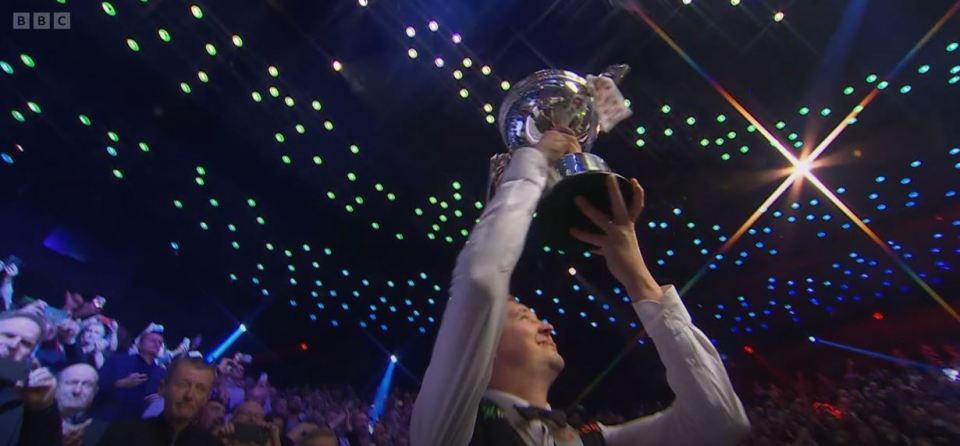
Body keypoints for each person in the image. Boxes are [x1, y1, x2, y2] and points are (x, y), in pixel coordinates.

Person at [411, 130, 751, 445]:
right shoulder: (448, 429)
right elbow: (481, 282)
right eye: (523, 316)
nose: (547, 324)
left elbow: (721, 423)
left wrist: (639, 280)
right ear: (484, 346)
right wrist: (531, 165)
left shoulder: (592, 440)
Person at [97, 357, 222, 445]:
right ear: (162, 388)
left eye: (200, 389)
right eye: (182, 385)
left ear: (206, 398)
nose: (189, 395)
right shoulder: (122, 435)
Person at [0, 311, 61, 446]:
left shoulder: (27, 398)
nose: (14, 344)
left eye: (25, 343)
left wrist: (41, 410)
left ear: (30, 356)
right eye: (8, 335)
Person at [91, 328, 165, 421]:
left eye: (160, 343)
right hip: (106, 418)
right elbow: (96, 386)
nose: (157, 344)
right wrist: (121, 383)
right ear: (139, 344)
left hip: (137, 425)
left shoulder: (161, 373)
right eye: (152, 341)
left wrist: (157, 400)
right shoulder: (117, 360)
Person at [56, 363, 109, 446]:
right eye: (72, 383)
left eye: (87, 385)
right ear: (57, 386)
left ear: (95, 392)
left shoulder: (104, 431)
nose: (77, 391)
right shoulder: (34, 420)